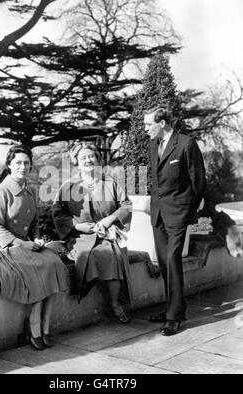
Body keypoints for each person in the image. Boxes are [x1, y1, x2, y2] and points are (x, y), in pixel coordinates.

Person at [0, 144, 68, 351]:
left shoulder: (30, 191)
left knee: (55, 263)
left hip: (26, 245)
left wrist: (37, 240)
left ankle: (45, 321)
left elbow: (34, 225)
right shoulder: (1, 192)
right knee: (39, 268)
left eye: (26, 163)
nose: (23, 167)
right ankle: (34, 322)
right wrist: (24, 243)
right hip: (3, 246)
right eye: (18, 163)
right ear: (8, 165)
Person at [52, 141, 133, 323]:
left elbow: (126, 205)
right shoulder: (68, 186)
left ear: (96, 158)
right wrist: (76, 225)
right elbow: (57, 213)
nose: (88, 160)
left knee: (112, 256)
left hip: (106, 235)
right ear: (76, 161)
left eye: (91, 156)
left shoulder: (110, 183)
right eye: (83, 158)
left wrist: (108, 220)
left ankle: (114, 303)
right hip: (80, 237)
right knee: (87, 256)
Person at [144, 107, 206, 336]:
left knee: (172, 259)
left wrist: (187, 208)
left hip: (178, 213)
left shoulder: (186, 144)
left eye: (147, 124)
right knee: (162, 262)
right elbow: (156, 180)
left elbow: (198, 181)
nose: (145, 129)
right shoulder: (153, 145)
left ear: (161, 123)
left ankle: (173, 317)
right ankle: (175, 309)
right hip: (158, 213)